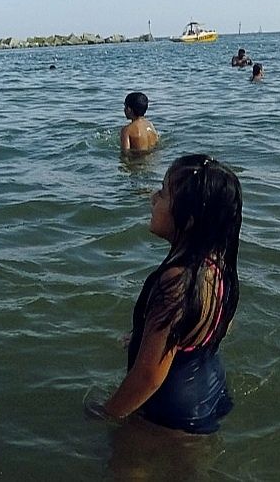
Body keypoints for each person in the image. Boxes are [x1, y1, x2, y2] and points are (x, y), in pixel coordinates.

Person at [102, 155, 241, 433]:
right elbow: (211, 325)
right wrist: (145, 337)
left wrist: (106, 413)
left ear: (188, 220)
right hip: (208, 390)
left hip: (170, 413)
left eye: (163, 193)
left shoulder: (176, 281)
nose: (153, 198)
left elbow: (149, 376)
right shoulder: (216, 265)